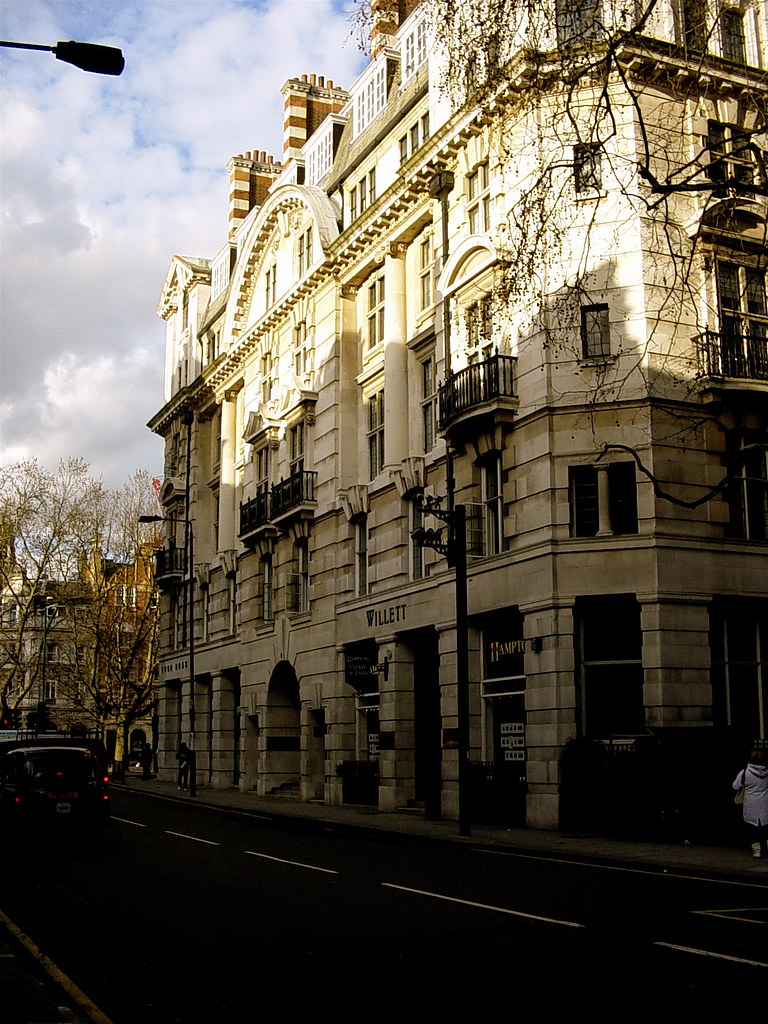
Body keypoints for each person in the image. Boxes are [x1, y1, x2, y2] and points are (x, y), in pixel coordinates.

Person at [733, 750, 768, 858]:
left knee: (752, 829)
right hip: (765, 802)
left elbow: (735, 786)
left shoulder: (744, 772)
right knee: (765, 827)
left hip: (750, 803)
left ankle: (756, 851)